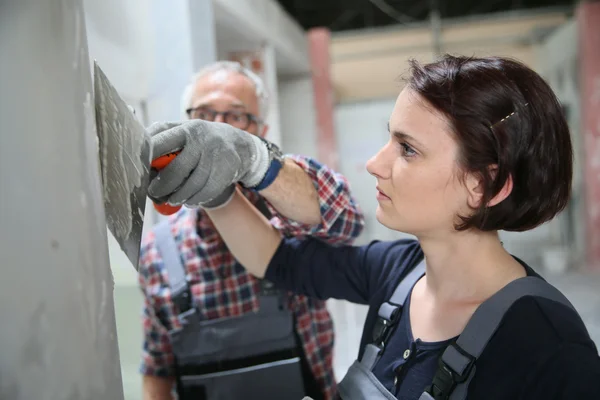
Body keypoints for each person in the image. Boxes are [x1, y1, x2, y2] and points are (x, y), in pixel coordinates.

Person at [147, 55, 600, 399]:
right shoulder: (396, 273)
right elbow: (277, 259)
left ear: (485, 185)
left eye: (407, 149)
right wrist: (217, 187)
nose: (374, 163)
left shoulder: (550, 349)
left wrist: (255, 159)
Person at [138, 61, 365, 400]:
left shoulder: (290, 219)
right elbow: (157, 371)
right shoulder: (158, 251)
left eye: (237, 117)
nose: (218, 127)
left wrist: (256, 160)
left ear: (262, 130)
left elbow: (346, 220)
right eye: (204, 113)